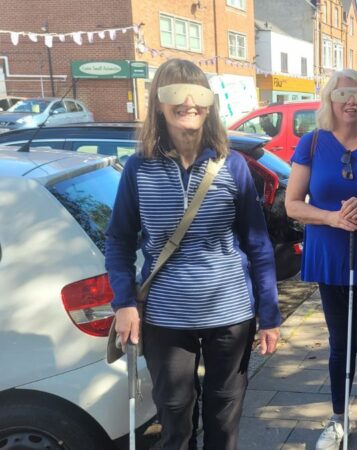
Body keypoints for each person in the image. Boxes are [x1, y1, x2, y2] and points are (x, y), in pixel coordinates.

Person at [105, 58, 281, 450]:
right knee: (174, 418)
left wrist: (269, 314)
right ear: (158, 103)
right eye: (174, 93)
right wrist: (124, 302)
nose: (188, 102)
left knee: (223, 417)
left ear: (210, 103)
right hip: (166, 316)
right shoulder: (139, 168)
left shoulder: (232, 165)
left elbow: (257, 243)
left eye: (197, 93)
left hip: (230, 313)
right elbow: (118, 239)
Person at [285, 69, 357, 450]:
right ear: (330, 100)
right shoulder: (312, 142)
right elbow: (292, 205)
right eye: (342, 93)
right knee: (339, 343)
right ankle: (337, 419)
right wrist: (331, 217)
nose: (351, 100)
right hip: (330, 256)